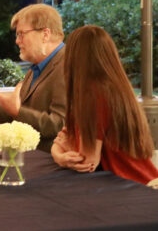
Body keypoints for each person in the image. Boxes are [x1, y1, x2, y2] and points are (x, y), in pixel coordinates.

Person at [51, 25, 158, 185]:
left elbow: (87, 162)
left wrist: (64, 147)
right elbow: (64, 137)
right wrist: (60, 154)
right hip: (139, 181)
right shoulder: (115, 87)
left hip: (131, 188)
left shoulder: (95, 94)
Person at [0, 4, 66, 152]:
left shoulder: (67, 65)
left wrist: (17, 111)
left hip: (53, 163)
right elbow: (22, 116)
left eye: (21, 34)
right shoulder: (36, 67)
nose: (17, 41)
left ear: (45, 34)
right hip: (30, 158)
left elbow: (59, 125)